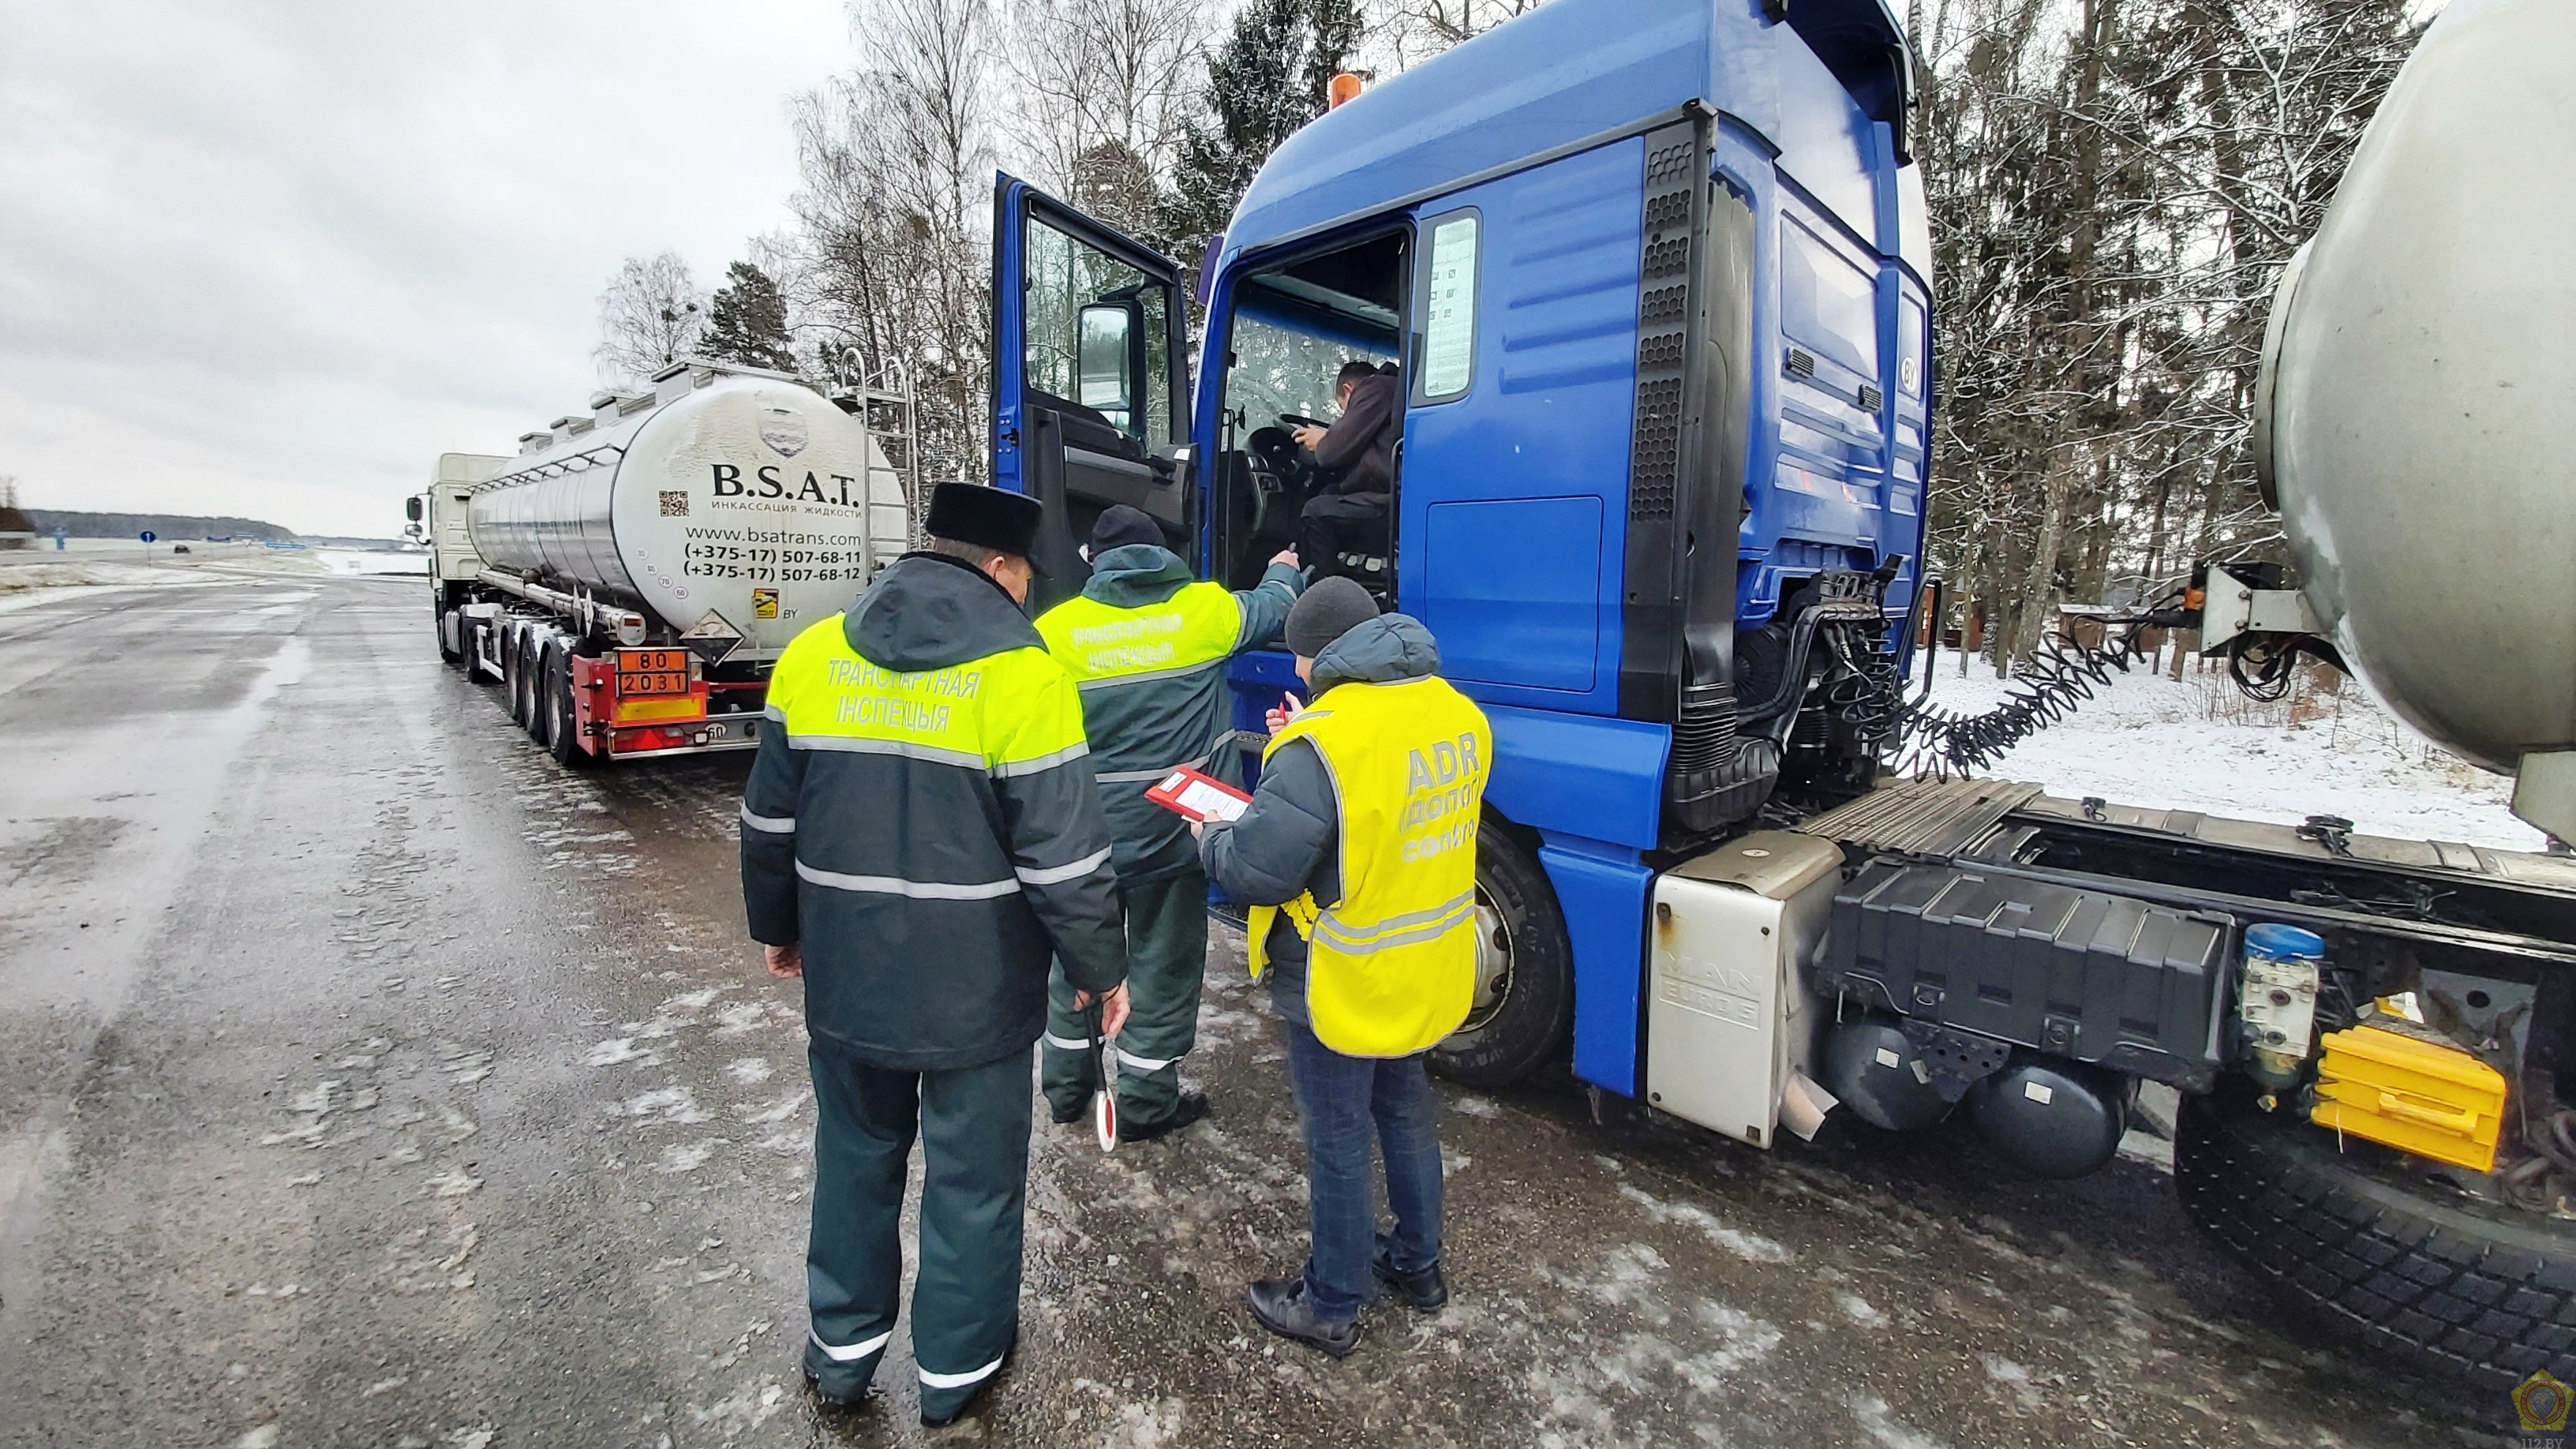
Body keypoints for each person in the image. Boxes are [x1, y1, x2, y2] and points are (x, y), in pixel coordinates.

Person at [740, 482, 1129, 1426]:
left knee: (854, 1163)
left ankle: (840, 1358)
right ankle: (955, 1374)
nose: (1031, 594)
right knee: (974, 1183)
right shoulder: (1022, 675)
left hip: (850, 979)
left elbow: (768, 820)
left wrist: (780, 926)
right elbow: (1064, 854)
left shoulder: (814, 654)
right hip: (977, 995)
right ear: (999, 567)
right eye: (1029, 576)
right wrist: (1099, 968)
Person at [1196, 577, 1492, 1357]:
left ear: (1324, 653)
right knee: (1403, 1112)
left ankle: (1330, 1302)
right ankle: (1420, 1267)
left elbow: (1261, 868)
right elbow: (1383, 805)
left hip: (1341, 971)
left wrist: (1211, 834)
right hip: (1422, 958)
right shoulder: (1454, 713)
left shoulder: (1323, 744)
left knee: (1336, 1137)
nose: (1296, 673)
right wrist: (1306, 744)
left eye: (1299, 658)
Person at [1034, 504, 1306, 1140]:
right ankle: (1146, 1105)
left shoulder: (1054, 631)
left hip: (1084, 843)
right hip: (1173, 836)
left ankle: (1067, 1092)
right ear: (1163, 558)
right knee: (1163, 967)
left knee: (1074, 961)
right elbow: (1273, 604)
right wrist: (1284, 568)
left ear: (1093, 564)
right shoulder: (1204, 612)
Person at [1290, 361, 1401, 579]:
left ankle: (1324, 596)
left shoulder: (1375, 388)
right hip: (1396, 497)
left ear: (1349, 390)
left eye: (1345, 410)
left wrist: (1322, 442)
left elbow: (1330, 453)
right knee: (1329, 494)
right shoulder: (1393, 389)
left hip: (1390, 503)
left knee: (1315, 512)